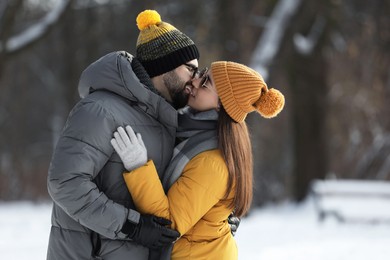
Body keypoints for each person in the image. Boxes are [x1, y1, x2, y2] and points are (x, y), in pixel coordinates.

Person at [46, 10, 200, 260]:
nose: (195, 79)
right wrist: (132, 226)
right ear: (165, 67)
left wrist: (214, 215)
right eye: (189, 69)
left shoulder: (167, 119)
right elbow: (65, 183)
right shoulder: (100, 110)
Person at [111, 61, 285, 259]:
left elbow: (167, 224)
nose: (194, 81)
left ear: (221, 105)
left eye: (205, 83)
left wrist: (138, 166)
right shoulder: (191, 131)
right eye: (201, 74)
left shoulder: (212, 162)